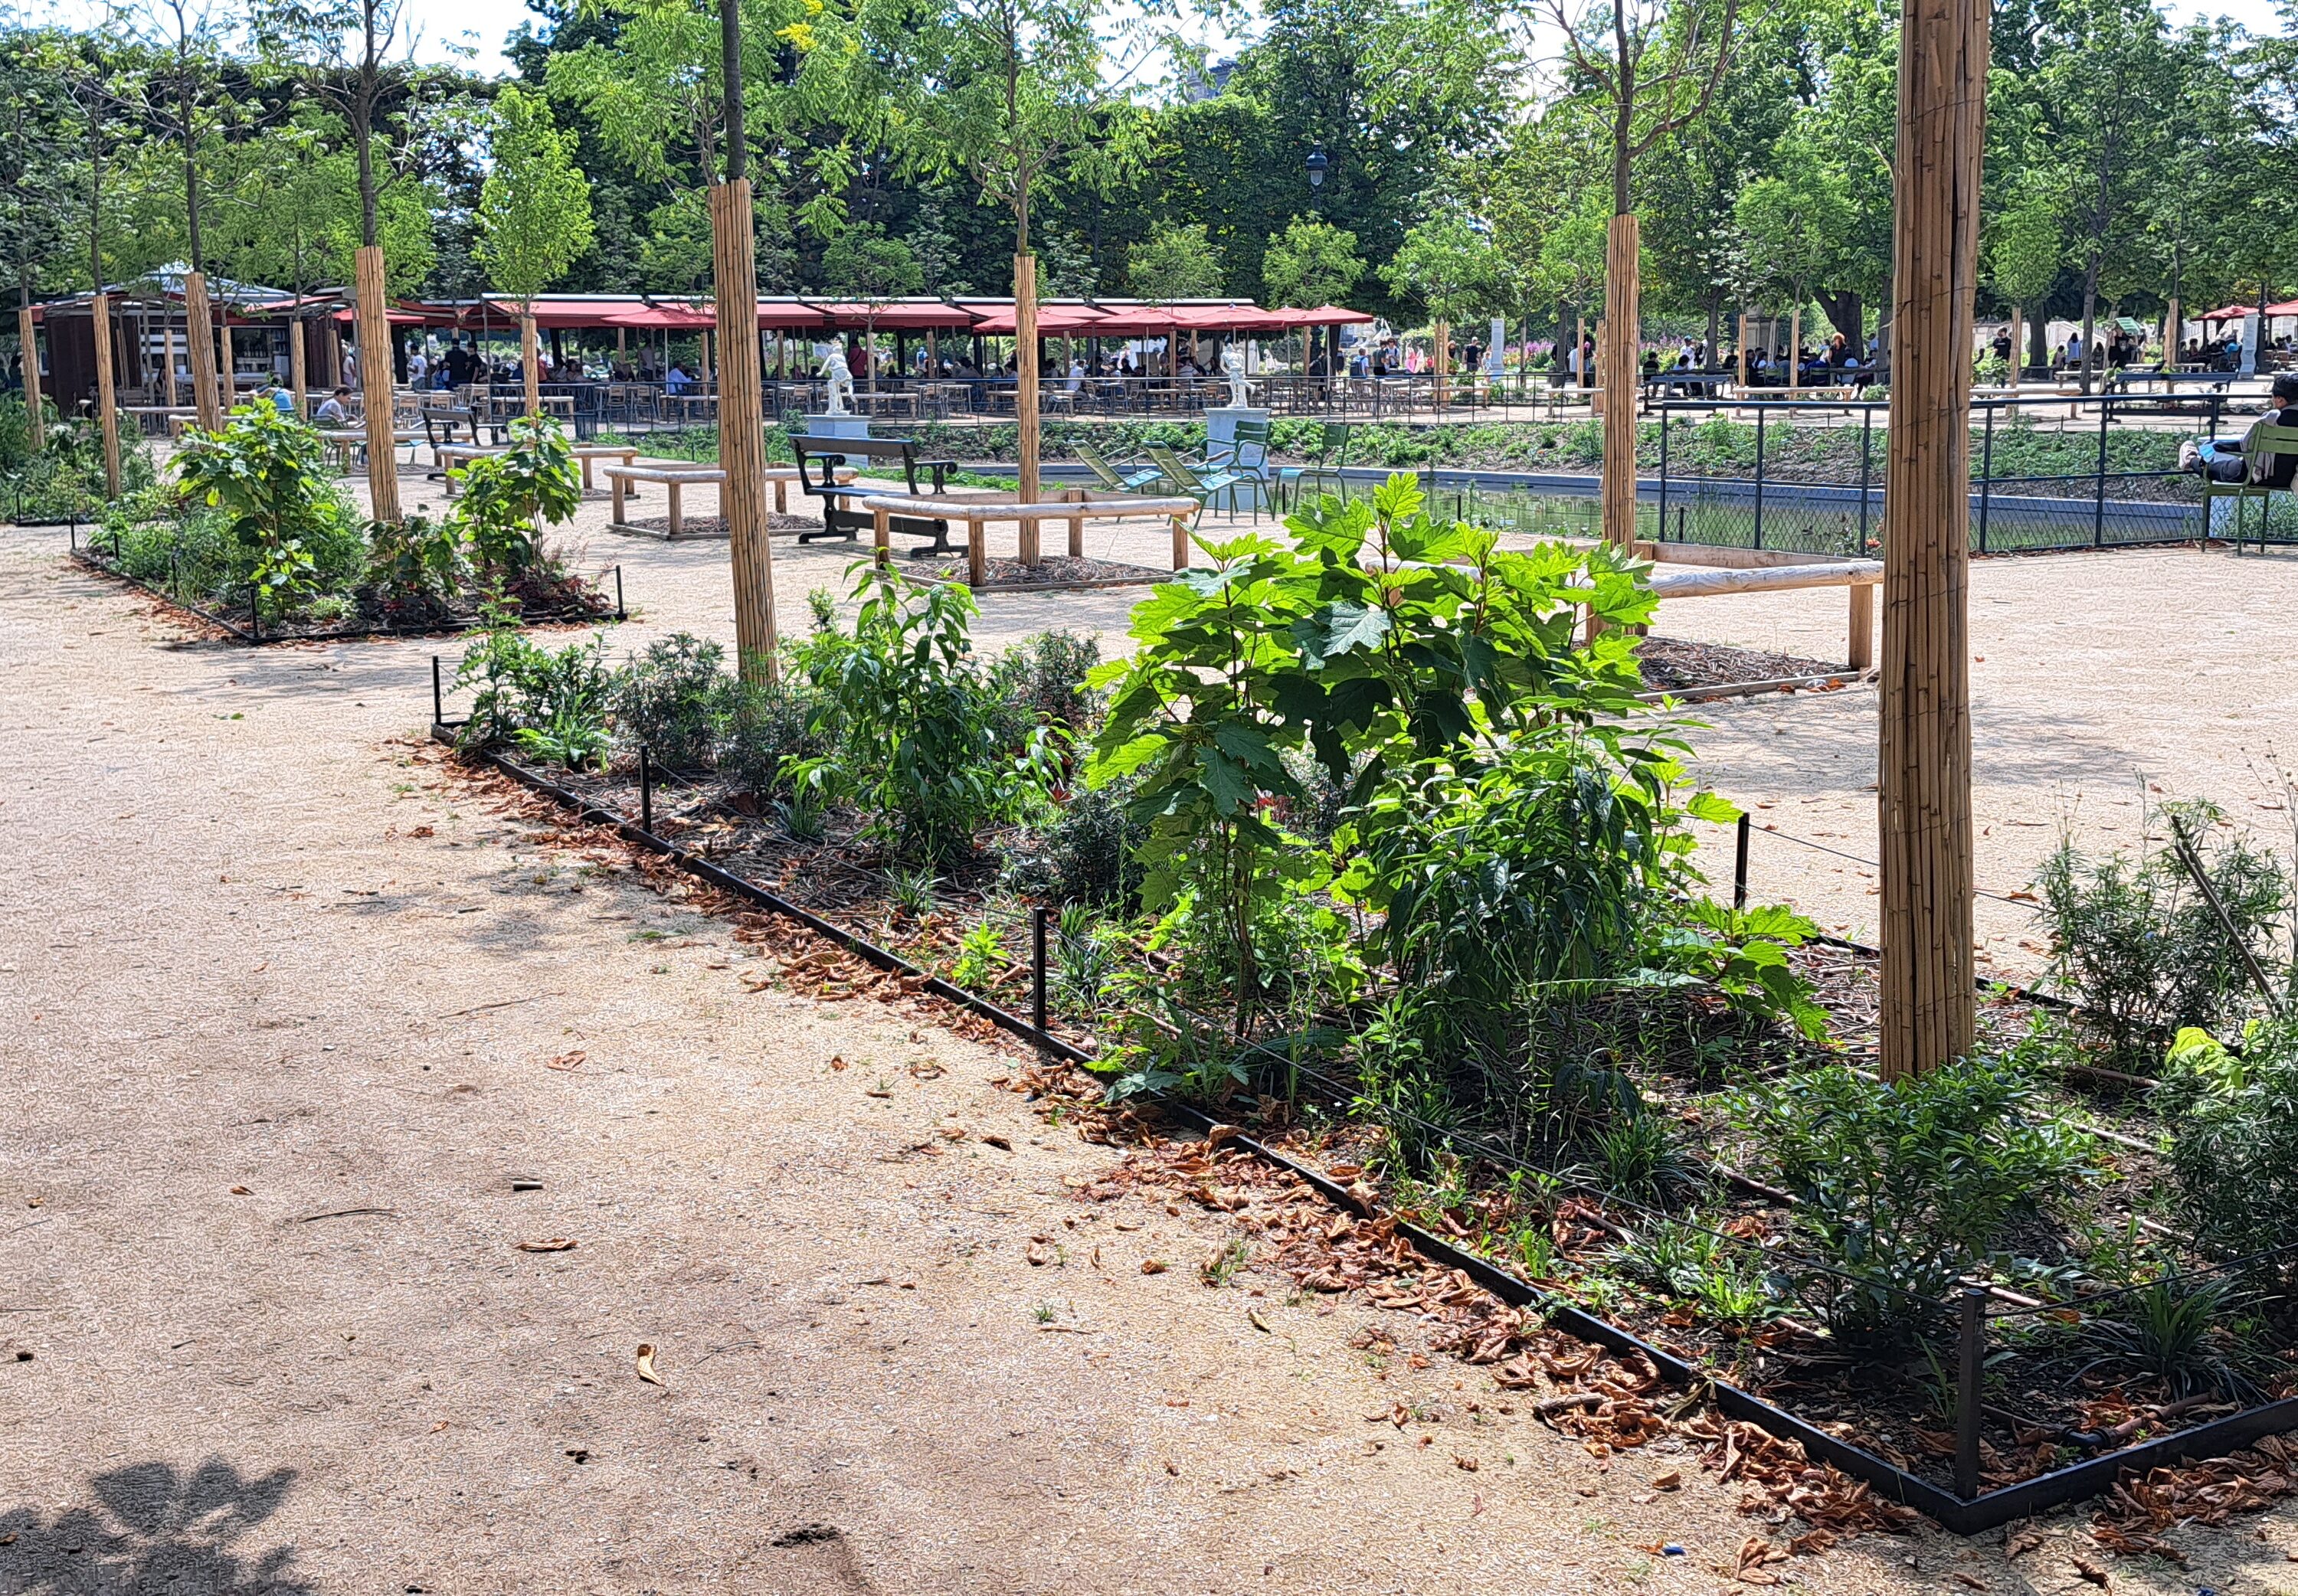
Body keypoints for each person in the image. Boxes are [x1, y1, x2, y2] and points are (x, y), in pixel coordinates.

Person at [2186, 371, 2298, 484]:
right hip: (2291, 479)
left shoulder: (2270, 420)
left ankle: (2190, 459)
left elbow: (2246, 445)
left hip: (2258, 477)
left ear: (2280, 399)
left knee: (2214, 469)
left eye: (2273, 397)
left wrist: (2218, 446)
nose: (2272, 400)